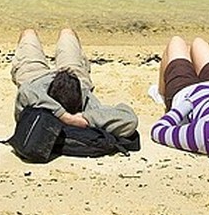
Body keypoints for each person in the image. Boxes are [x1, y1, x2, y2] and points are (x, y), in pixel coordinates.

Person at [10, 28, 138, 137]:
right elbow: (129, 119)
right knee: (67, 32)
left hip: (35, 76)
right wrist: (70, 117)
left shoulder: (33, 96)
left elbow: (26, 90)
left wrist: (62, 116)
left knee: (28, 33)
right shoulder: (90, 108)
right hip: (75, 76)